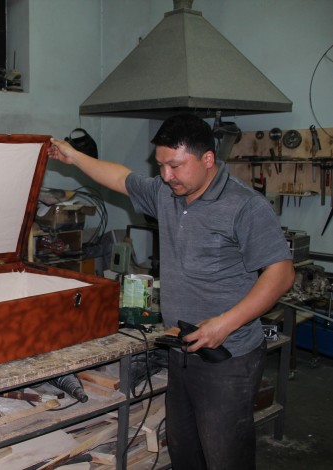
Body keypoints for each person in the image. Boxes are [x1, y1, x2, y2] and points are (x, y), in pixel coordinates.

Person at [49, 113, 294, 470]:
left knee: (225, 456)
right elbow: (120, 178)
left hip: (229, 358)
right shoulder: (168, 193)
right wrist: (74, 156)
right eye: (161, 165)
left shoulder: (245, 206)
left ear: (207, 159)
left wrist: (224, 324)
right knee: (184, 449)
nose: (166, 175)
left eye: (175, 166)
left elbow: (281, 274)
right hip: (182, 349)